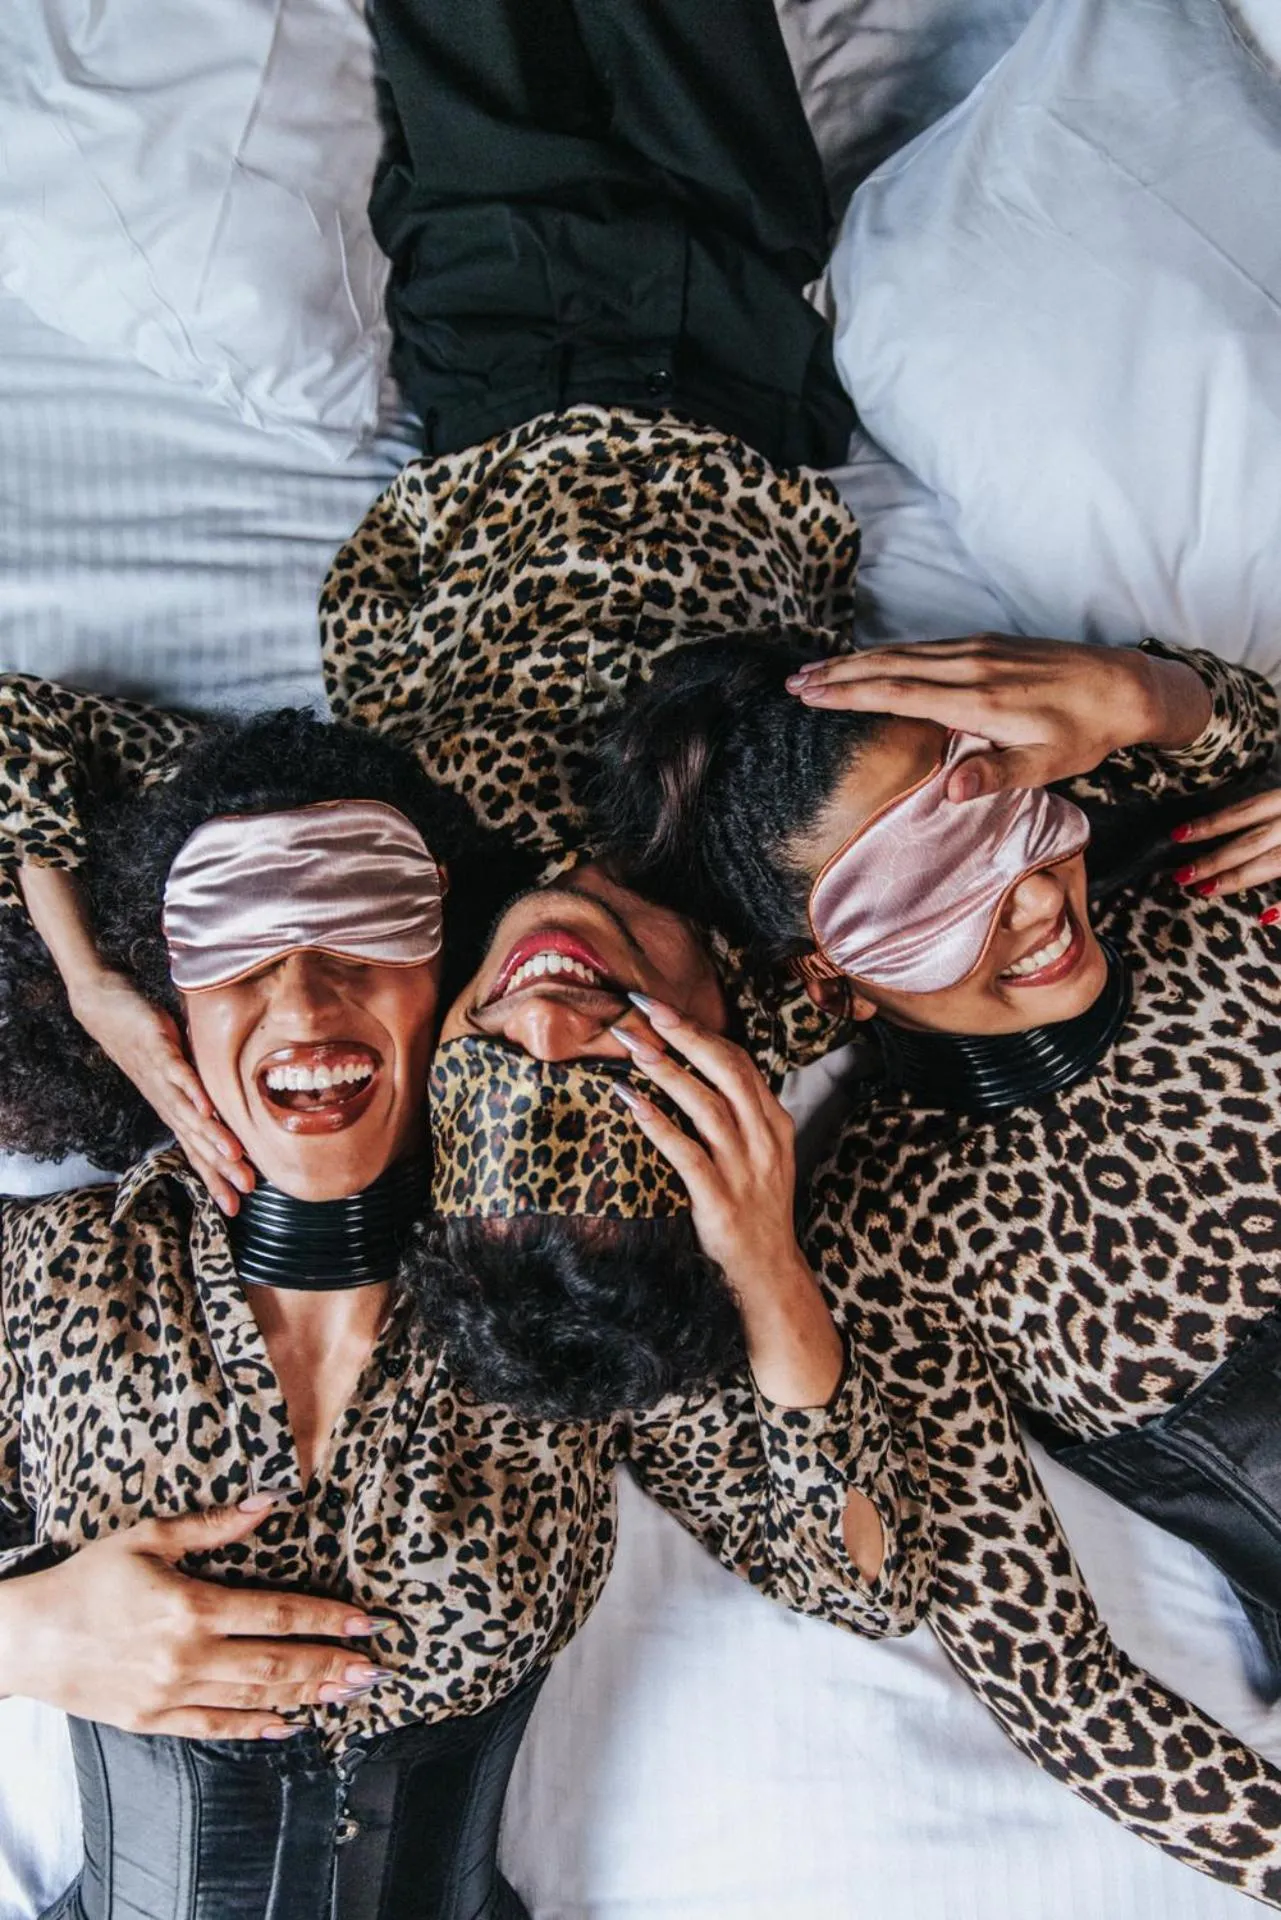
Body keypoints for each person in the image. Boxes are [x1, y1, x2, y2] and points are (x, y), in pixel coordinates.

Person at [0, 705, 908, 1920]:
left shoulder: (560, 1295)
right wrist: (20, 1639)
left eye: (366, 929)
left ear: (449, 971)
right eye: (236, 947)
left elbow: (863, 1576)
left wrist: (763, 1263)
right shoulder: (50, 1272)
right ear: (179, 1006)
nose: (307, 994)